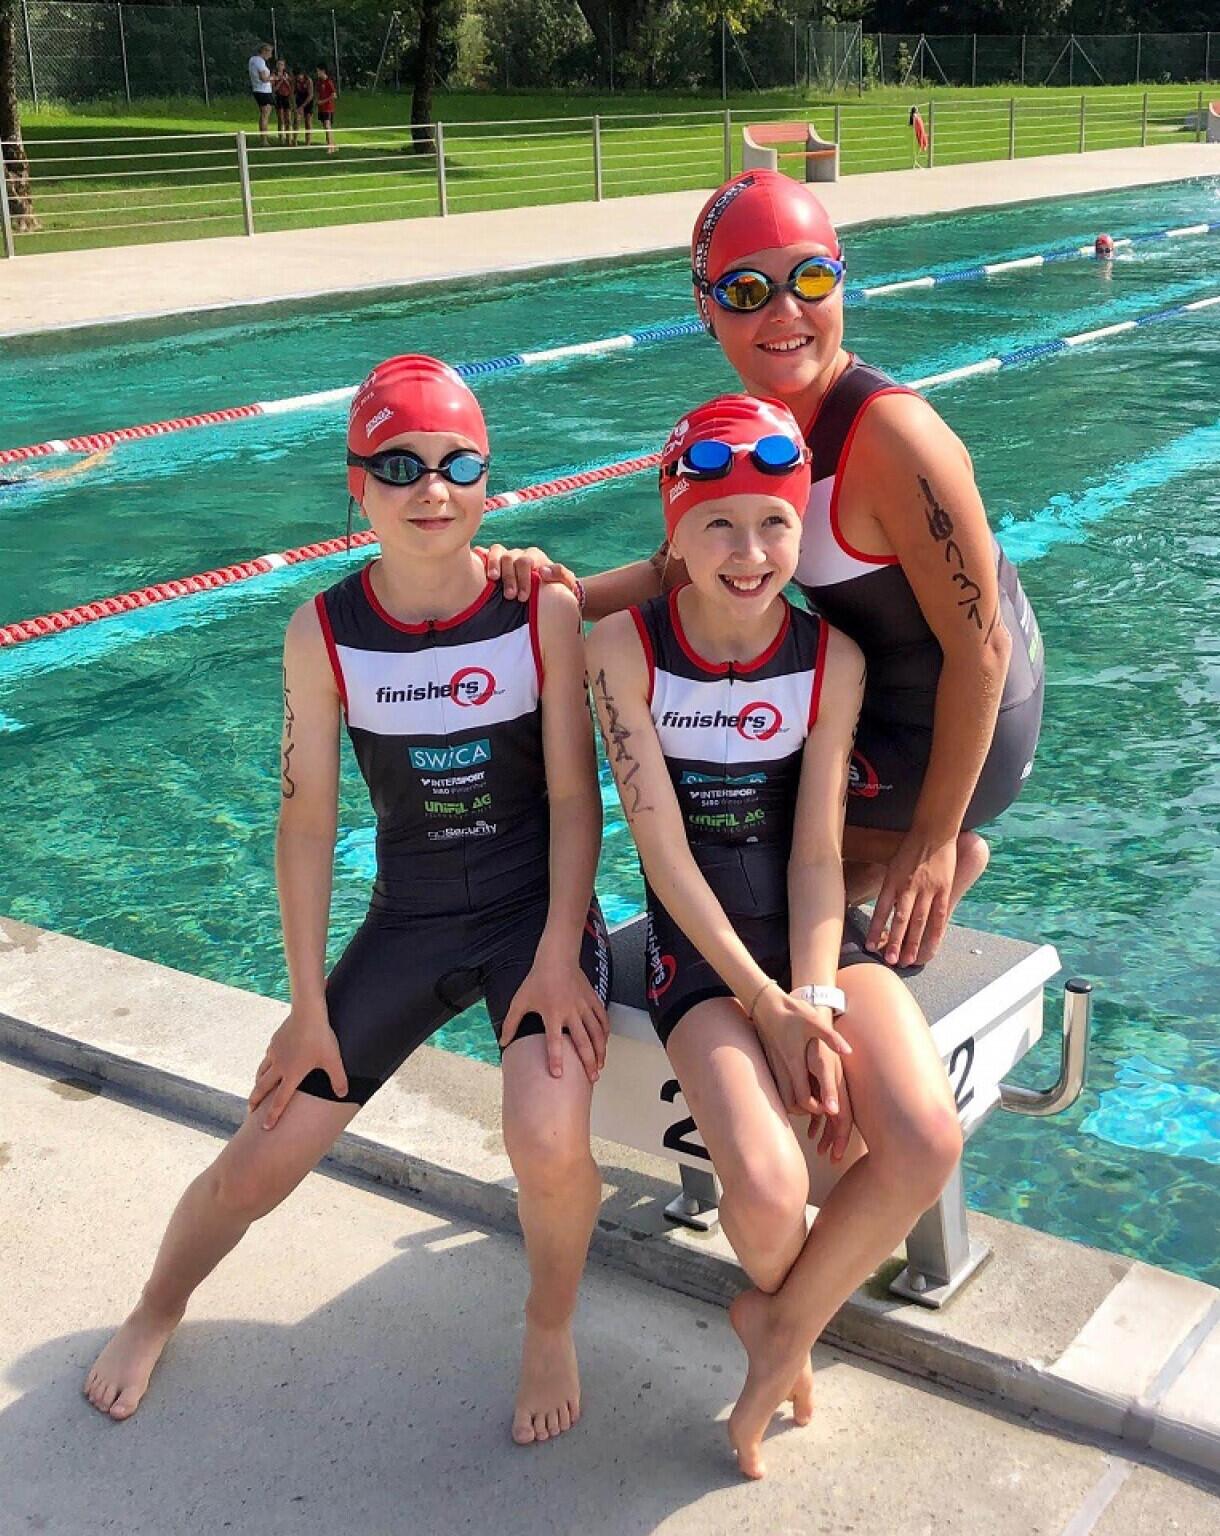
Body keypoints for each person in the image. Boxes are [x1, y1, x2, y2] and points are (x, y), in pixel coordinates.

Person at [84, 355, 612, 1448]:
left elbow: (575, 800)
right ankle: (157, 1307)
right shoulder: (322, 633)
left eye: (458, 463)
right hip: (409, 922)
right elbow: (307, 826)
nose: (433, 488)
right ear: (357, 487)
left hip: (530, 917)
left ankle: (549, 1323)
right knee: (261, 1157)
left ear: (488, 478)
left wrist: (562, 951)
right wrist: (306, 1007)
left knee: (549, 1136)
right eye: (401, 466)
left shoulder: (541, 611)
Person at [490, 170, 1045, 971]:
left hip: (969, 725)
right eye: (748, 291)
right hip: (880, 706)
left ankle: (929, 857)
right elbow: (680, 572)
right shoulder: (765, 427)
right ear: (706, 307)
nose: (785, 311)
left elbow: (983, 648)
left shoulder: (894, 438)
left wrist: (930, 838)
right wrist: (557, 591)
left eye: (810, 279)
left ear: (843, 279)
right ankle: (875, 869)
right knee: (724, 838)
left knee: (742, 848)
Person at [586, 393, 962, 1478]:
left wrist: (817, 1004)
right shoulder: (623, 648)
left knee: (924, 1140)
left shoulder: (830, 658)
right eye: (718, 523)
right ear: (674, 528)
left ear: (803, 529)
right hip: (698, 956)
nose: (750, 554)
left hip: (814, 937)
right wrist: (767, 1007)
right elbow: (662, 857)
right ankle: (784, 1323)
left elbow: (812, 856)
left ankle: (779, 1326)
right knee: (760, 1192)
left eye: (775, 524)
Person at [247, 42, 274, 147]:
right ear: (264, 51)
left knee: (264, 114)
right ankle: (264, 140)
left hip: (258, 90)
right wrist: (274, 78)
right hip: (263, 91)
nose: (270, 55)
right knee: (265, 115)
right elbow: (263, 78)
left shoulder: (252, 59)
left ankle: (263, 138)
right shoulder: (260, 61)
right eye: (269, 52)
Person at [315, 65, 337, 155]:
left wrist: (323, 101)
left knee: (328, 127)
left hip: (328, 108)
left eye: (318, 71)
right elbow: (318, 93)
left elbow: (334, 95)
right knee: (326, 127)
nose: (317, 73)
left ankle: (330, 147)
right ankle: (333, 145)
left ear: (323, 71)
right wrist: (318, 101)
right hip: (321, 108)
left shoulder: (328, 82)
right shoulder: (319, 82)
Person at [272, 58, 293, 146]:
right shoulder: (274, 75)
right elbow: (274, 89)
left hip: (286, 97)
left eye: (282, 64)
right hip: (279, 97)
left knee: (288, 119)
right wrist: (281, 81)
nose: (280, 66)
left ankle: (289, 138)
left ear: (284, 66)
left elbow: (291, 88)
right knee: (281, 119)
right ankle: (281, 139)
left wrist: (286, 80)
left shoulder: (287, 75)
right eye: (278, 64)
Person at [292, 67, 314, 147]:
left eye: (299, 76)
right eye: (296, 76)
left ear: (302, 74)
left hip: (308, 101)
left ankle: (308, 142)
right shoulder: (295, 81)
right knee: (297, 120)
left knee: (308, 122)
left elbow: (310, 95)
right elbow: (292, 94)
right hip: (299, 99)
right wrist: (294, 106)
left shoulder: (308, 80)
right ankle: (294, 140)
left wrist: (302, 106)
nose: (298, 78)